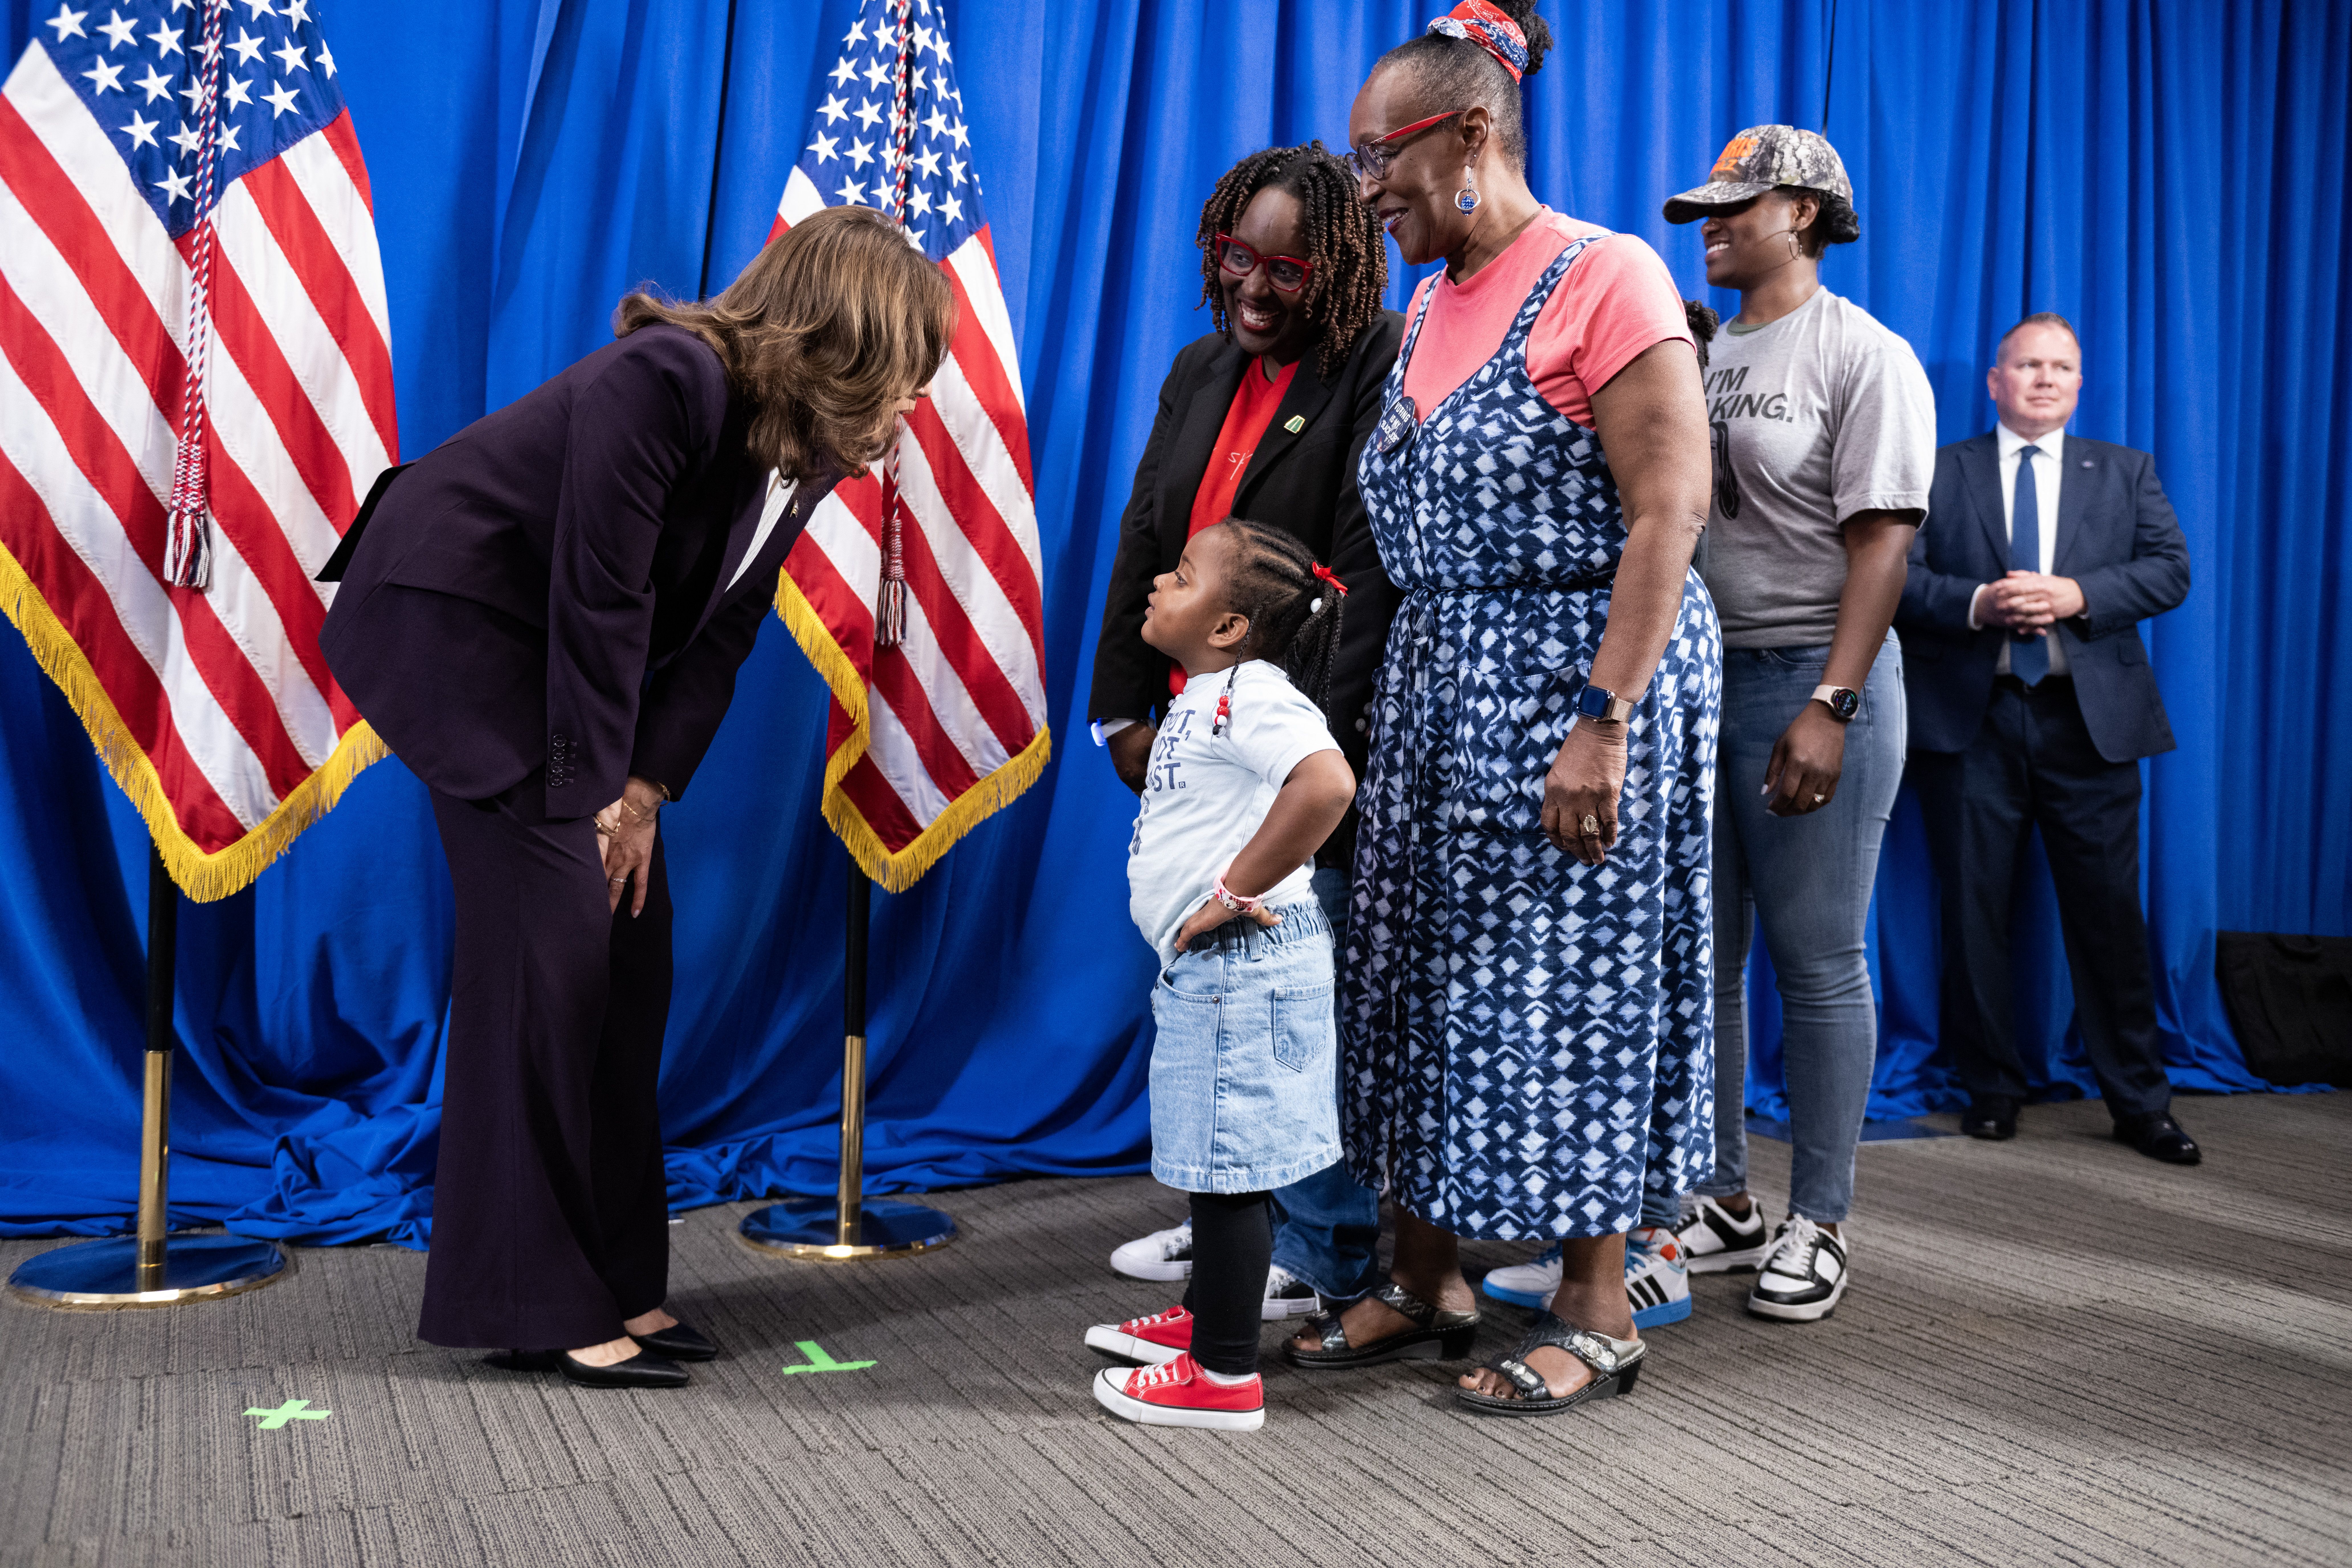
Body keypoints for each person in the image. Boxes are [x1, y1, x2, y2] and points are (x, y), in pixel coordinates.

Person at [319, 207, 953, 1388]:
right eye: (906, 375)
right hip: (458, 629)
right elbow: (599, 596)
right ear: (844, 339)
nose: (912, 407)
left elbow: (722, 636)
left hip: (558, 668)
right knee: (547, 942)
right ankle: (527, 1293)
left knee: (629, 945)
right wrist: (599, 794)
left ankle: (613, 1274)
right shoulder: (667, 378)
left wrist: (648, 785)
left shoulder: (802, 443)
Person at [1310, 0, 1721, 1418]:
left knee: (1572, 993)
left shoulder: (1608, 276)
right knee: (1420, 978)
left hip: (1576, 681)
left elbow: (1671, 511)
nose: (1367, 194)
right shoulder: (1426, 299)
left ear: (1472, 133)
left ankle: (1599, 1305)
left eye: (1381, 162)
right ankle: (1427, 1271)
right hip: (1440, 687)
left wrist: (1603, 717)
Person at [1092, 144, 1402, 1320]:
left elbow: (1366, 576)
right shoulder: (1197, 363)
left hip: (1286, 741)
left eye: (1287, 266)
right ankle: (1229, 1214)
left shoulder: (1375, 360)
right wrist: (1123, 705)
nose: (1256, 287)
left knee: (1284, 1003)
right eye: (1238, 258)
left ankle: (1314, 1243)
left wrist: (1295, 749)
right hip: (1188, 731)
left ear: (1334, 270)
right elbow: (1145, 536)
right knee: (1208, 981)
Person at [1655, 126, 1935, 1324]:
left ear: (1807, 215)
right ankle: (1721, 1193)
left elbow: (1884, 542)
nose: (1710, 224)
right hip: (1703, 678)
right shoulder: (1696, 347)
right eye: (1704, 208)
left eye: (1736, 205)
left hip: (1814, 677)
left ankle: (1820, 1215)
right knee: (1704, 962)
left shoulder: (1865, 353)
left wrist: (1834, 700)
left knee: (1818, 960)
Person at [1896, 313, 2198, 1163]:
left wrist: (2075, 595)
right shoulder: (1941, 469)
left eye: (2060, 366)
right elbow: (1897, 577)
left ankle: (2141, 1103)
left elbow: (2171, 570)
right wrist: (1977, 605)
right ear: (1996, 382)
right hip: (1974, 720)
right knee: (1975, 915)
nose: (2043, 379)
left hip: (2091, 726)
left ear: (2078, 382)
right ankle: (1991, 1089)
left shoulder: (2126, 471)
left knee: (2109, 922)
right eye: (2027, 365)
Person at [1087, 519, 1359, 1431]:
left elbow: (1326, 785)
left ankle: (1224, 1376)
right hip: (1213, 974)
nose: (1160, 582)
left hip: (1243, 966)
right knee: (1218, 1159)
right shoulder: (1210, 695)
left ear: (1231, 624)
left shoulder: (1253, 694)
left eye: (1185, 574)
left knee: (1231, 1173)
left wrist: (1232, 892)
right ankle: (1211, 1318)